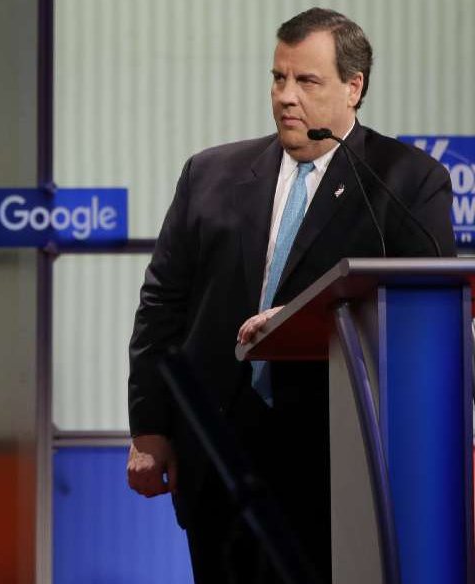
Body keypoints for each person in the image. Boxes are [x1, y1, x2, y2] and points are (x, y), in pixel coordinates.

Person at [125, 8, 454, 583]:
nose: (285, 97)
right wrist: (149, 429)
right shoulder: (210, 173)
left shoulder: (406, 181)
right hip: (217, 458)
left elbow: (422, 321)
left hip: (334, 463)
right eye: (279, 78)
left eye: (307, 81)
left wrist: (305, 320)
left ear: (354, 88)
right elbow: (162, 306)